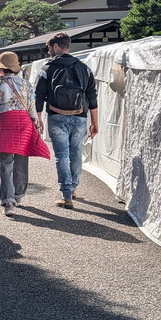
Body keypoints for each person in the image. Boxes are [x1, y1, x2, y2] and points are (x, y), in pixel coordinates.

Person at [0, 52, 50, 216]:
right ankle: (19, 194)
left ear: (2, 69)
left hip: (3, 126)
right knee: (22, 160)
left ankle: (8, 201)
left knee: (5, 163)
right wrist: (36, 126)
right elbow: (31, 108)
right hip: (23, 125)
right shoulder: (26, 85)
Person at [34, 32, 99, 208]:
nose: (48, 52)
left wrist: (38, 118)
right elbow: (92, 96)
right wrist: (95, 122)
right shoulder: (84, 68)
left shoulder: (47, 68)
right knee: (76, 153)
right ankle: (74, 188)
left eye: (49, 48)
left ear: (56, 47)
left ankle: (67, 195)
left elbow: (39, 95)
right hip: (79, 117)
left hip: (56, 117)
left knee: (62, 155)